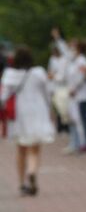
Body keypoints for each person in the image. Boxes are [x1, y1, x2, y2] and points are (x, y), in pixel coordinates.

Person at [1, 47, 55, 195]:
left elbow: (3, 97)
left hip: (20, 115)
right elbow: (48, 93)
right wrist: (50, 110)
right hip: (38, 112)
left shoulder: (10, 74)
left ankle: (21, 182)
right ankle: (32, 171)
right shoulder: (38, 72)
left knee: (20, 149)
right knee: (34, 148)